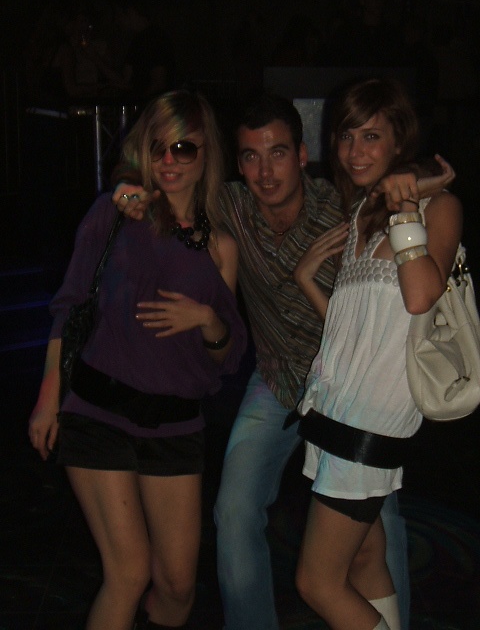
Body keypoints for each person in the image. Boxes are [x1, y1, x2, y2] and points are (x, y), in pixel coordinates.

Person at [112, 93, 455, 630]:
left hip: (352, 392)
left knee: (376, 528)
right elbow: (170, 176)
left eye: (277, 153)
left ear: (301, 154)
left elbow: (398, 185)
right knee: (233, 511)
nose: (265, 171)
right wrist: (129, 182)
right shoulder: (230, 206)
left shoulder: (344, 206)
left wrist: (413, 180)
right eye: (250, 156)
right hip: (276, 382)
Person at [28, 90, 247, 630]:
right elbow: (70, 307)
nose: (168, 161)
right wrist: (48, 399)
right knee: (127, 573)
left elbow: (224, 358)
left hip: (175, 424)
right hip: (98, 411)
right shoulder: (117, 212)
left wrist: (208, 319)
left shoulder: (221, 246)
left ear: (206, 154)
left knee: (177, 588)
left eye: (183, 148)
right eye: (157, 148)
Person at [293, 77, 462, 629]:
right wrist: (308, 282)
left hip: (370, 421)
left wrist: (407, 203)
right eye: (346, 136)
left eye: (371, 136)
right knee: (364, 558)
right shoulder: (362, 212)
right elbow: (359, 332)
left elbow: (420, 296)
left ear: (398, 141)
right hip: (336, 408)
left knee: (317, 582)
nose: (355, 151)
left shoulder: (439, 207)